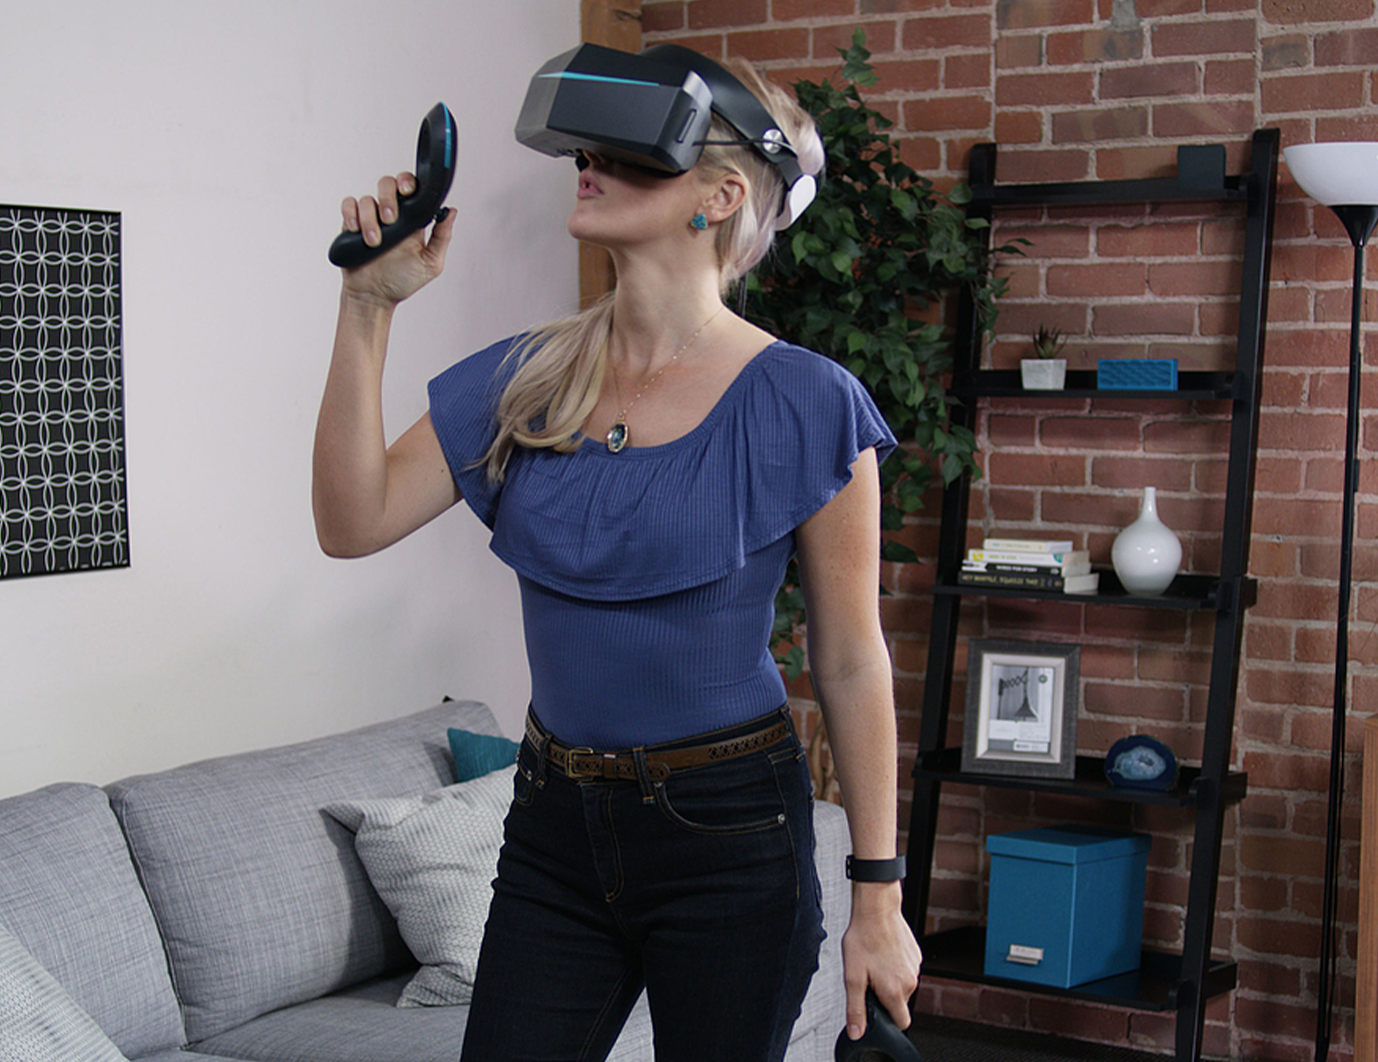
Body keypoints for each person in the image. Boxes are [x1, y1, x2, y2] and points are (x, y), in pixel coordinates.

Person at [312, 51, 921, 1062]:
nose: (588, 163)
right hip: (553, 826)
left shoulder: (809, 403)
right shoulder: (525, 380)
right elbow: (352, 520)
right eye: (587, 149)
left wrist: (879, 897)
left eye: (630, 155)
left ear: (721, 197)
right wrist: (367, 304)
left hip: (730, 836)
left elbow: (853, 661)